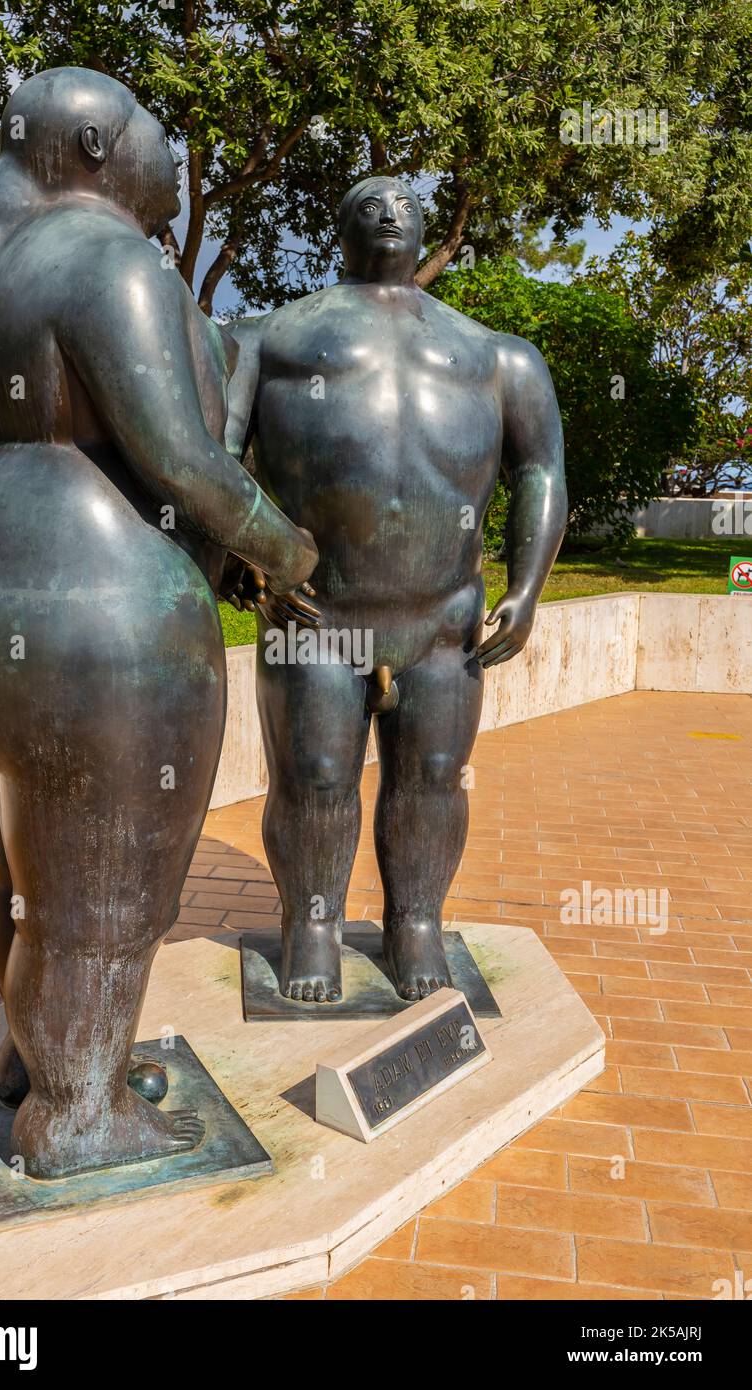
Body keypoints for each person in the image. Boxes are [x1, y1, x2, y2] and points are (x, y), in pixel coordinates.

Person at [0, 67, 315, 1178]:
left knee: (28, 869)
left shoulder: (5, 270)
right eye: (157, 136)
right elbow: (182, 459)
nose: (174, 162)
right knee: (112, 888)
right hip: (104, 624)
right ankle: (76, 1116)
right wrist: (285, 550)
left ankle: (35, 1061)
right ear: (95, 143)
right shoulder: (111, 262)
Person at [225, 175, 566, 1005]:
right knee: (312, 776)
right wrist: (244, 565)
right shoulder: (270, 338)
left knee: (434, 775)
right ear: (338, 229)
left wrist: (527, 586)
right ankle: (312, 922)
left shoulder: (496, 354)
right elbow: (215, 465)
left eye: (406, 204)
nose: (390, 211)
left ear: (425, 236)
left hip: (443, 619)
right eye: (369, 202)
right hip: (316, 612)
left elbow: (541, 469)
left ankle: (415, 920)